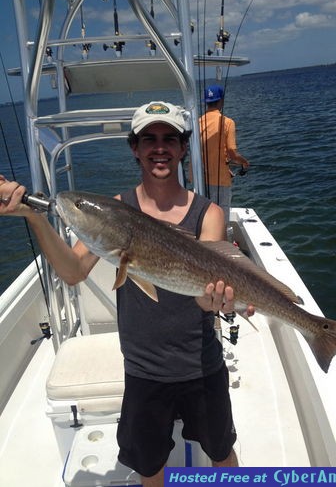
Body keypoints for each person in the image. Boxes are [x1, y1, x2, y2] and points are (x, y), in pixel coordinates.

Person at [0, 101, 255, 487]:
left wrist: (216, 300)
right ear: (134, 148)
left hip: (201, 365)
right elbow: (72, 272)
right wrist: (34, 216)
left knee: (221, 451)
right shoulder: (116, 210)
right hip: (144, 371)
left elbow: (205, 295)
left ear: (183, 148)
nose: (160, 147)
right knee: (149, 465)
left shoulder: (207, 213)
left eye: (170, 138)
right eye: (149, 139)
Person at [200, 85, 249, 223]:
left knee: (207, 216)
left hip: (201, 180)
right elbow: (232, 153)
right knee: (221, 217)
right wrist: (244, 163)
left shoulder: (197, 122)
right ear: (221, 101)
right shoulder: (228, 123)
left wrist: (227, 169)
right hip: (220, 181)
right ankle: (223, 242)